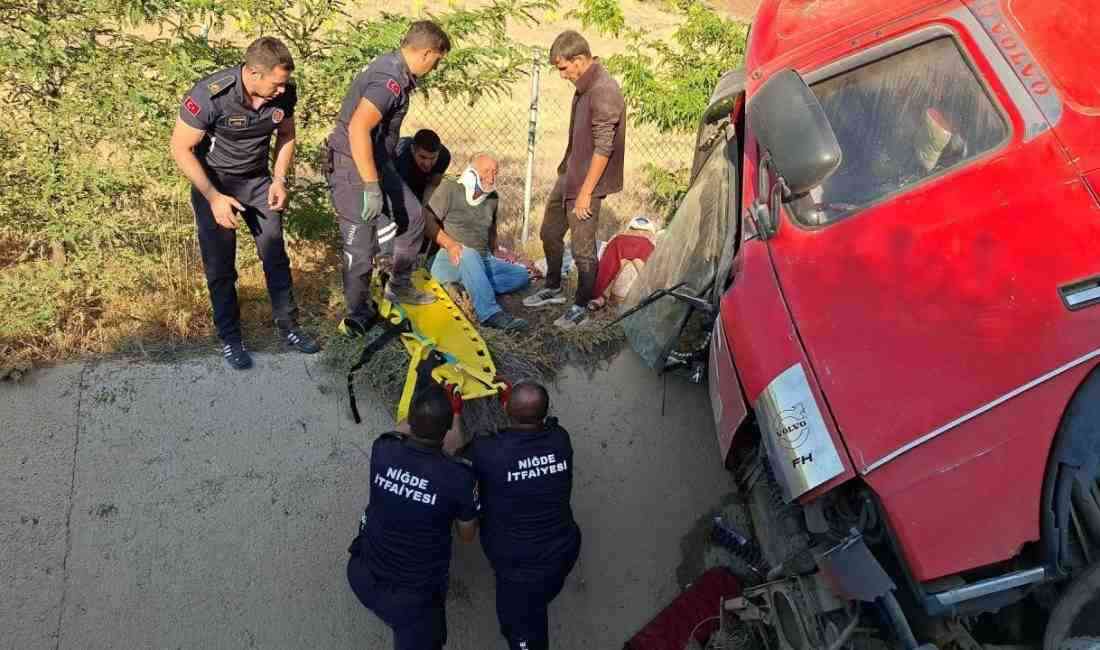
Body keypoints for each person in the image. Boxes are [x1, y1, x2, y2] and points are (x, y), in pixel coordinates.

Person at [169, 37, 320, 370]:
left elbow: (286, 134)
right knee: (221, 267)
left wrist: (279, 179)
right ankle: (230, 339)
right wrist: (212, 197)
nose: (283, 90)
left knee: (275, 255)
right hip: (216, 186)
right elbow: (180, 148)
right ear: (253, 73)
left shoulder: (284, 93)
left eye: (285, 83)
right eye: (277, 83)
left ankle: (289, 328)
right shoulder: (210, 96)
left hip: (258, 183)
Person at [326, 21, 452, 339]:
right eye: (436, 60)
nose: (435, 67)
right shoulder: (389, 80)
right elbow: (358, 129)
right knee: (360, 248)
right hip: (353, 166)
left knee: (411, 219)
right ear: (425, 53)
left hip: (377, 161)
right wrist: (370, 185)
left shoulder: (396, 70)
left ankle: (399, 287)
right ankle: (358, 315)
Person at [346, 384, 479, 650]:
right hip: (413, 603)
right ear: (445, 431)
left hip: (361, 575)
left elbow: (402, 429)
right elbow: (467, 536)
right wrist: (454, 414)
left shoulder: (382, 449)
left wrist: (428, 403)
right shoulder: (459, 478)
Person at [523, 30, 626, 331]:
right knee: (549, 233)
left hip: (586, 184)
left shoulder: (604, 90)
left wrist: (585, 193)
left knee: (582, 250)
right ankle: (553, 287)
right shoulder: (584, 85)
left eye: (563, 68)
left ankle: (581, 305)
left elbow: (604, 148)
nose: (562, 75)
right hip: (569, 174)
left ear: (579, 60)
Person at [466, 381, 582, 650]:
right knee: (542, 594)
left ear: (506, 409)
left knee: (522, 629)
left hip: (521, 571)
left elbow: (455, 448)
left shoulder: (489, 452)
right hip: (564, 550)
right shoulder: (560, 439)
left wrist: (459, 412)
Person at [428, 154, 530, 332]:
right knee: (468, 253)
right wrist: (450, 244)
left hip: (482, 260)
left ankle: (468, 289)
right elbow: (427, 220)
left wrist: (496, 250)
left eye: (495, 172)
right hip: (451, 257)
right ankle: (490, 314)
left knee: (520, 276)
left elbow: (491, 229)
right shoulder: (450, 188)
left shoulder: (492, 198)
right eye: (486, 171)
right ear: (471, 173)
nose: (492, 178)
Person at [587, 216, 658, 311]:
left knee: (624, 257)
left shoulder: (618, 239)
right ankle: (650, 296)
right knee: (631, 257)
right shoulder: (649, 245)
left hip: (611, 291)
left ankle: (602, 297)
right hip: (633, 294)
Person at [395, 129, 451, 203]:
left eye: (432, 158)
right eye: (422, 157)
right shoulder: (400, 156)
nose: (427, 164)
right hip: (399, 182)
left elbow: (432, 185)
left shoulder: (444, 156)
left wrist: (425, 209)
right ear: (412, 150)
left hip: (422, 181)